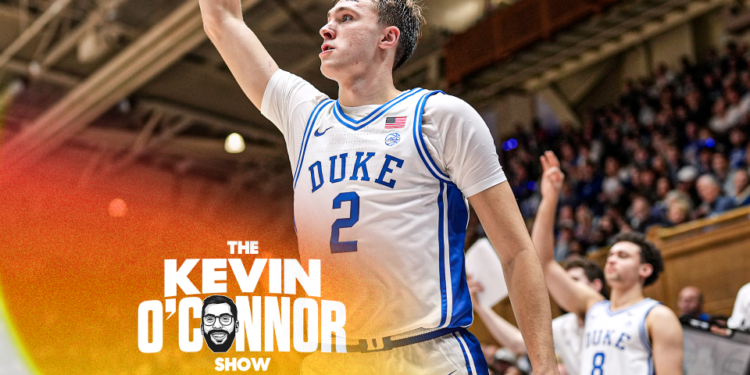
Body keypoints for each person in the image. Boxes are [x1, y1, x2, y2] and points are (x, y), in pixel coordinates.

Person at [198, 1, 557, 374]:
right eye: (328, 19)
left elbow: (516, 251)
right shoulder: (303, 115)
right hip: (332, 357)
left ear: (388, 37)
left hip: (427, 354)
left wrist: (545, 367)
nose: (326, 28)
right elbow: (222, 20)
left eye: (346, 18)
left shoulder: (440, 116)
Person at [534, 151, 683, 374]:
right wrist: (550, 198)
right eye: (611, 254)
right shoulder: (592, 307)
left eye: (623, 256)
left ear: (645, 269)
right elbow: (543, 264)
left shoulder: (657, 316)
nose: (612, 259)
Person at [468, 257, 606, 375]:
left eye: (574, 280)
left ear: (596, 285)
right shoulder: (564, 325)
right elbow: (517, 342)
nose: (566, 287)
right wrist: (481, 308)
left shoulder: (617, 316)